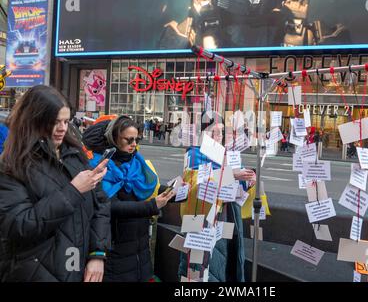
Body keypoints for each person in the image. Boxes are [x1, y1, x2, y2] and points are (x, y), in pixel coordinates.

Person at [0, 85, 110, 282]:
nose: (62, 128)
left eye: (66, 121)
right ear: (34, 120)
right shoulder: (11, 165)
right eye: (54, 122)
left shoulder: (75, 154)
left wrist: (97, 254)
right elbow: (20, 226)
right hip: (32, 272)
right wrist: (74, 190)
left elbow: (100, 204)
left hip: (76, 266)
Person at [82, 115, 176, 282]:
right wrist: (152, 206)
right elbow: (109, 206)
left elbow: (149, 190)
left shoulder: (137, 163)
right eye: (129, 140)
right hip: (114, 252)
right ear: (114, 139)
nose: (134, 144)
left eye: (136, 139)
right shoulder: (100, 167)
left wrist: (173, 193)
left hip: (140, 252)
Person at [178, 113, 256, 282]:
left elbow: (238, 187)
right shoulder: (194, 153)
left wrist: (248, 180)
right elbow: (197, 187)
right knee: (202, 269)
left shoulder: (226, 153)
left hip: (228, 217)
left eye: (220, 132)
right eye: (212, 132)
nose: (217, 136)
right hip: (203, 221)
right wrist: (232, 175)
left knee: (227, 264)